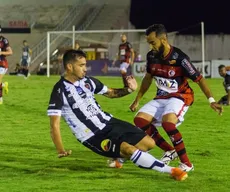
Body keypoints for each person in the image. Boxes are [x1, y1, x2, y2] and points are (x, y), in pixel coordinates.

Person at [47, 49, 188, 181]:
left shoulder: (88, 81)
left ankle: (119, 159)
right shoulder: (59, 90)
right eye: (82, 65)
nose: (85, 68)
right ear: (70, 67)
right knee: (129, 149)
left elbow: (111, 93)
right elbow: (54, 124)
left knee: (149, 143)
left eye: (85, 65)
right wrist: (61, 149)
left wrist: (129, 89)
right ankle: (172, 171)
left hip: (109, 122)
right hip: (92, 135)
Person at [128, 24, 223, 172]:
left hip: (180, 96)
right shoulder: (151, 56)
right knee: (139, 120)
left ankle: (186, 164)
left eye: (153, 42)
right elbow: (147, 78)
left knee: (168, 123)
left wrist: (211, 100)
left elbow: (199, 79)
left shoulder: (180, 58)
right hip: (161, 97)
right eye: (149, 43)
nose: (151, 47)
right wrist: (137, 99)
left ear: (164, 39)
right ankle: (169, 150)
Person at [0, 35, 13, 104]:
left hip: (2, 64)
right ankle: (4, 85)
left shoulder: (4, 40)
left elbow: (10, 52)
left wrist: (1, 52)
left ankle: (0, 99)